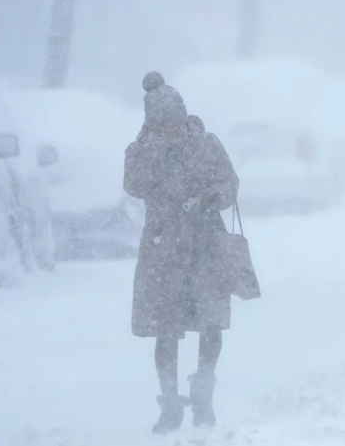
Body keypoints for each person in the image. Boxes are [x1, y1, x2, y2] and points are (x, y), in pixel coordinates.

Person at [123, 72, 240, 433]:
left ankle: (203, 397)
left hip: (205, 247)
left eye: (172, 122)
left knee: (211, 322)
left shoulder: (207, 144)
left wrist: (208, 197)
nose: (169, 130)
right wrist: (151, 147)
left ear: (182, 115)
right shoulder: (142, 149)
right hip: (164, 251)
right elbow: (133, 185)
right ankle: (170, 404)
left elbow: (229, 185)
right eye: (161, 125)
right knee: (165, 330)